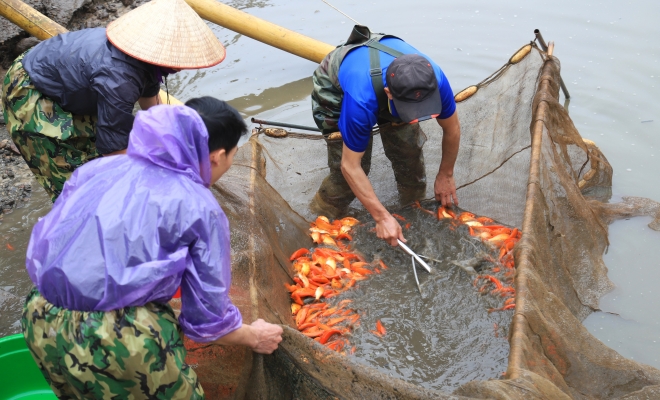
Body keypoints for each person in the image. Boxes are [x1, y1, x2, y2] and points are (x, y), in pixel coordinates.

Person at [20, 97, 283, 399]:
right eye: (233, 155)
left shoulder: (99, 168)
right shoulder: (200, 206)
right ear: (217, 156)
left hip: (39, 315)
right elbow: (207, 322)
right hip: (115, 338)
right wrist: (255, 336)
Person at [1, 0, 225, 202]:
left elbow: (152, 108)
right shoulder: (120, 79)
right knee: (77, 180)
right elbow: (114, 151)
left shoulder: (144, 56)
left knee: (100, 150)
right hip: (31, 89)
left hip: (67, 75)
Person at [311, 25, 461, 246]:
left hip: (391, 72)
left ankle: (411, 213)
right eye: (411, 110)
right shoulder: (361, 101)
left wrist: (446, 173)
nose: (414, 119)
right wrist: (381, 217)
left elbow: (452, 128)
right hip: (336, 86)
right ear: (389, 94)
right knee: (347, 175)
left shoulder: (436, 80)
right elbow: (350, 165)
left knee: (409, 156)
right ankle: (321, 218)